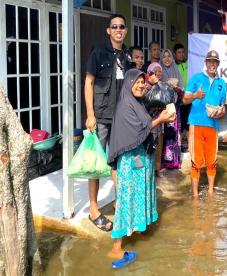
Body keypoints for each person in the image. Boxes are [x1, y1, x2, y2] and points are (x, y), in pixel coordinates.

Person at [106, 68, 175, 260]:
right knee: (127, 199)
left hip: (142, 157)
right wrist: (160, 119)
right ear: (128, 84)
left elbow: (146, 123)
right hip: (129, 160)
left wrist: (162, 114)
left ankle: (140, 228)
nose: (141, 85)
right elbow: (138, 129)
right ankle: (116, 246)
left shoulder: (138, 102)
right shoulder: (125, 105)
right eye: (137, 82)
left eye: (142, 82)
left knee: (141, 194)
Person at [84, 14, 130, 232]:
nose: (118, 29)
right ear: (108, 30)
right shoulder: (98, 53)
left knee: (118, 161)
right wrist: (90, 114)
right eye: (114, 26)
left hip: (120, 117)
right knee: (96, 164)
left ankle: (120, 203)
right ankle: (94, 210)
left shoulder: (127, 57)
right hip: (101, 117)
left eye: (121, 26)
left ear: (125, 30)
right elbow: (88, 83)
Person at [183, 50, 227, 197]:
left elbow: (222, 106)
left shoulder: (222, 84)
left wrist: (221, 113)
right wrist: (195, 95)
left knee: (212, 160)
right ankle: (195, 195)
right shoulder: (196, 78)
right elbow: (184, 100)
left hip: (213, 126)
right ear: (205, 63)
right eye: (209, 61)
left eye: (215, 62)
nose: (212, 64)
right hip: (196, 124)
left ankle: (210, 192)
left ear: (218, 64)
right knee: (196, 160)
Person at [160, 49, 184, 170]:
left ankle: (175, 162)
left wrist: (177, 89)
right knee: (165, 134)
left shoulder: (176, 70)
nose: (167, 59)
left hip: (175, 107)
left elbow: (182, 90)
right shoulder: (159, 71)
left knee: (175, 133)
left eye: (169, 56)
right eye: (164, 57)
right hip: (163, 108)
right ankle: (164, 163)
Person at [174, 43, 191, 152]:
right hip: (179, 98)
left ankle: (190, 146)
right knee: (179, 123)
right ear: (175, 54)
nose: (181, 55)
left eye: (183, 52)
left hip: (189, 98)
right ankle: (179, 147)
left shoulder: (188, 64)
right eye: (179, 53)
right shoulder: (173, 67)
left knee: (188, 123)